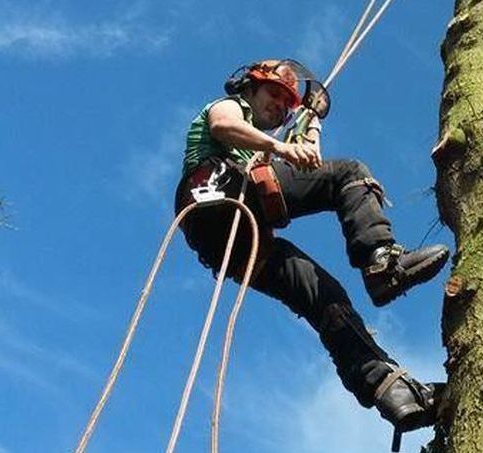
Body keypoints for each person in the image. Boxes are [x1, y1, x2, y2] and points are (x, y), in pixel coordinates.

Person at [174, 59, 449, 436]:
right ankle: (381, 260)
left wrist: (311, 121)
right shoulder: (232, 110)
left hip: (229, 240)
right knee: (348, 173)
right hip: (220, 188)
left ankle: (388, 388)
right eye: (274, 94)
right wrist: (280, 149)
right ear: (249, 87)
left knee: (324, 294)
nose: (279, 106)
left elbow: (308, 162)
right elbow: (223, 126)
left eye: (287, 104)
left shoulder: (261, 149)